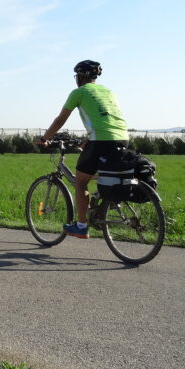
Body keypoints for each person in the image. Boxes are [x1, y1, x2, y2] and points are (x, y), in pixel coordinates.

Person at [38, 60, 129, 238]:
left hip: (101, 141)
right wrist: (87, 139)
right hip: (123, 139)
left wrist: (45, 138)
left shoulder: (78, 92)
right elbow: (105, 119)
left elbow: (60, 120)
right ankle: (103, 204)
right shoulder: (108, 92)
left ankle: (81, 226)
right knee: (106, 173)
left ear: (80, 77)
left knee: (80, 181)